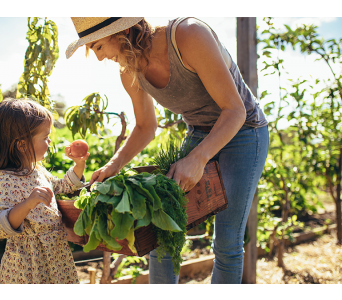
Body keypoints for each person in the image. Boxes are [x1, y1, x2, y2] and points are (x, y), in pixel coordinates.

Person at [66, 17, 269, 284]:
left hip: (244, 132)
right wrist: (113, 165)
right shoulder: (129, 71)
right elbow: (146, 126)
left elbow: (235, 111)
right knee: (162, 230)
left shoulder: (189, 36)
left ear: (122, 30)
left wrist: (197, 158)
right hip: (199, 132)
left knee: (227, 241)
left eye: (98, 47)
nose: (100, 58)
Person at [0, 98, 89, 284]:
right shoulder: (5, 179)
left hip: (55, 255)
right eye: (45, 137)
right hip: (28, 262)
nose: (49, 141)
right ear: (22, 145)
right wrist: (28, 204)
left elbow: (63, 186)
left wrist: (78, 166)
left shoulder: (38, 170)